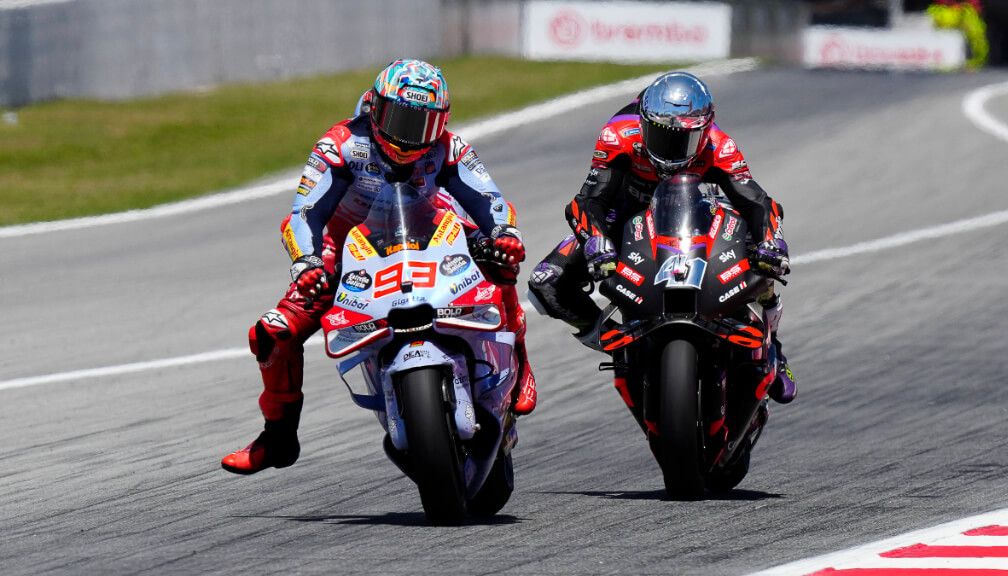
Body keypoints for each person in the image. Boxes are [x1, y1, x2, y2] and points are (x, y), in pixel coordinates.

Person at [222, 59, 536, 475]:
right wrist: (307, 261)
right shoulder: (341, 145)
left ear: (441, 123)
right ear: (374, 107)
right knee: (272, 332)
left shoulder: (449, 147)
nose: (409, 136)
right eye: (400, 119)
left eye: (422, 125)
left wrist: (504, 233)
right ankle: (278, 438)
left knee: (501, 258)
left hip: (429, 231)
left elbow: (488, 197)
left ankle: (520, 362)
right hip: (348, 248)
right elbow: (304, 212)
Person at [527, 71, 796, 412]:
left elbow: (757, 202)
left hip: (698, 214)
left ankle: (774, 347)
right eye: (659, 134)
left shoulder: (720, 145)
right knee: (547, 283)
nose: (670, 148)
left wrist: (772, 242)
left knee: (762, 261)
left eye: (683, 139)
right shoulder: (617, 134)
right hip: (626, 216)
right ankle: (620, 344)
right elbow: (588, 200)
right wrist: (595, 240)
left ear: (704, 131)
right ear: (643, 122)